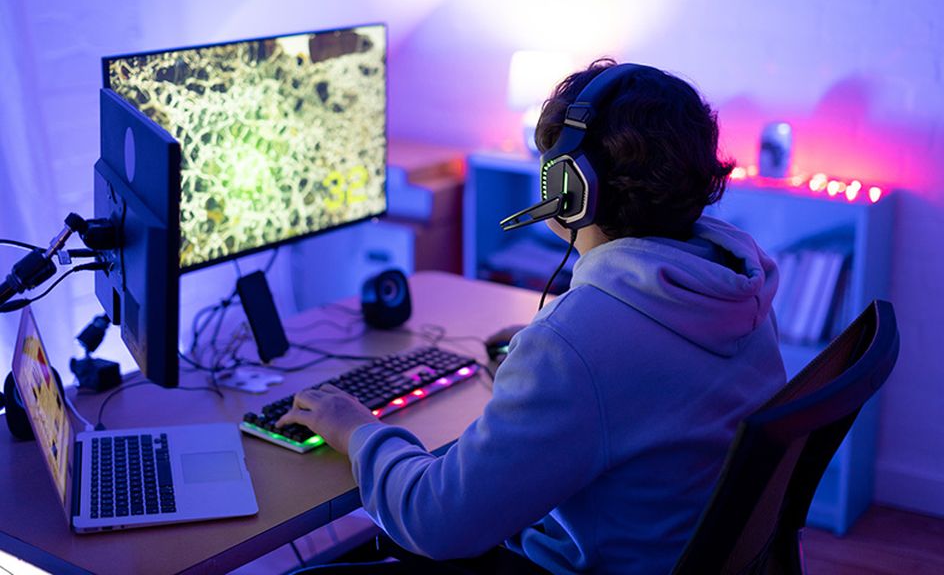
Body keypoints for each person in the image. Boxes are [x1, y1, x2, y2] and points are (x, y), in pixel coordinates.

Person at [277, 59, 786, 574]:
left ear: (570, 187)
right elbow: (648, 385)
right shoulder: (738, 288)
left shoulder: (574, 346)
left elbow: (433, 521)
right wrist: (550, 367)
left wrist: (357, 430)